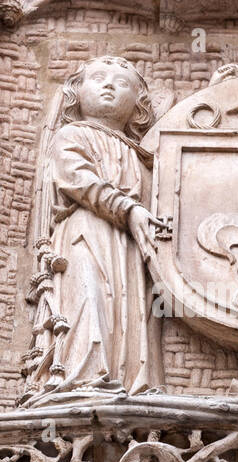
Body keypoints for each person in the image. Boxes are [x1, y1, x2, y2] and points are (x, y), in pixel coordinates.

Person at [36, 56, 166, 396]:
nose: (108, 85)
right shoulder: (70, 134)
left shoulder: (141, 154)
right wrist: (127, 209)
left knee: (129, 309)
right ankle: (81, 379)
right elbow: (77, 180)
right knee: (88, 299)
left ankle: (129, 384)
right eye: (97, 78)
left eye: (122, 83)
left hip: (130, 245)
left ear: (139, 105)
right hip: (86, 233)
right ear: (76, 92)